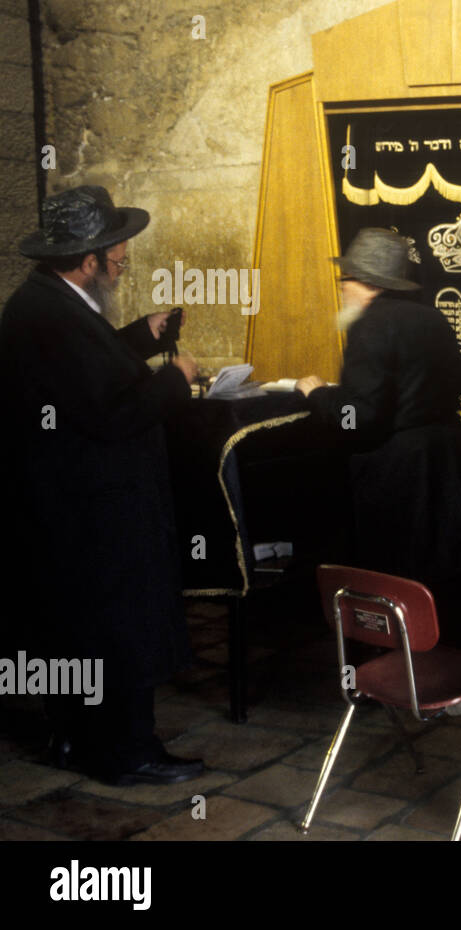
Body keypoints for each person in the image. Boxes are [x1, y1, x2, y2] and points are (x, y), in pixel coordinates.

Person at [0, 185, 203, 785]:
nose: (123, 262)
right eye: (116, 253)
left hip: (63, 505)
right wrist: (177, 381)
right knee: (119, 626)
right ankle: (127, 753)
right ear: (88, 260)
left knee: (73, 626)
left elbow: (85, 371)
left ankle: (72, 738)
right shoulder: (53, 314)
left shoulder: (42, 302)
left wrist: (141, 334)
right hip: (92, 506)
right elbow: (110, 412)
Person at [295, 228, 461, 651]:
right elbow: (456, 382)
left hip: (397, 471)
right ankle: (460, 661)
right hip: (443, 462)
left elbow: (358, 420)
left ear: (367, 283)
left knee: (395, 575)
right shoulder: (431, 317)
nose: (342, 288)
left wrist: (319, 395)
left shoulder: (371, 325)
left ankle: (399, 672)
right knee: (445, 568)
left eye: (347, 279)